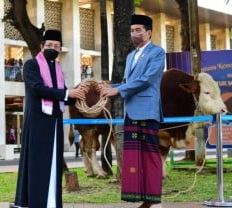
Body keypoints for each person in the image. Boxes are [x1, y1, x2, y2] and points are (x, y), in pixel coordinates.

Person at [12, 29, 88, 208]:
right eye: (49, 45)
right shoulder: (31, 65)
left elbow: (60, 96)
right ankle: (35, 202)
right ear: (41, 46)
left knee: (53, 163)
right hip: (38, 122)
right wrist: (68, 93)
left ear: (60, 48)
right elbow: (38, 88)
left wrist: (78, 95)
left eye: (56, 45)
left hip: (54, 124)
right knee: (37, 164)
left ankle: (51, 203)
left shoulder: (57, 69)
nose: (53, 48)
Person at [99, 14, 165, 208]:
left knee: (151, 157)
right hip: (132, 112)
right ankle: (145, 200)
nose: (134, 34)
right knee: (135, 159)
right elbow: (130, 83)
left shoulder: (157, 52)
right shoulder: (130, 56)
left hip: (147, 111)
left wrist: (117, 90)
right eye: (131, 30)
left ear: (149, 32)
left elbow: (146, 79)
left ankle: (155, 202)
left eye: (138, 30)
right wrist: (110, 86)